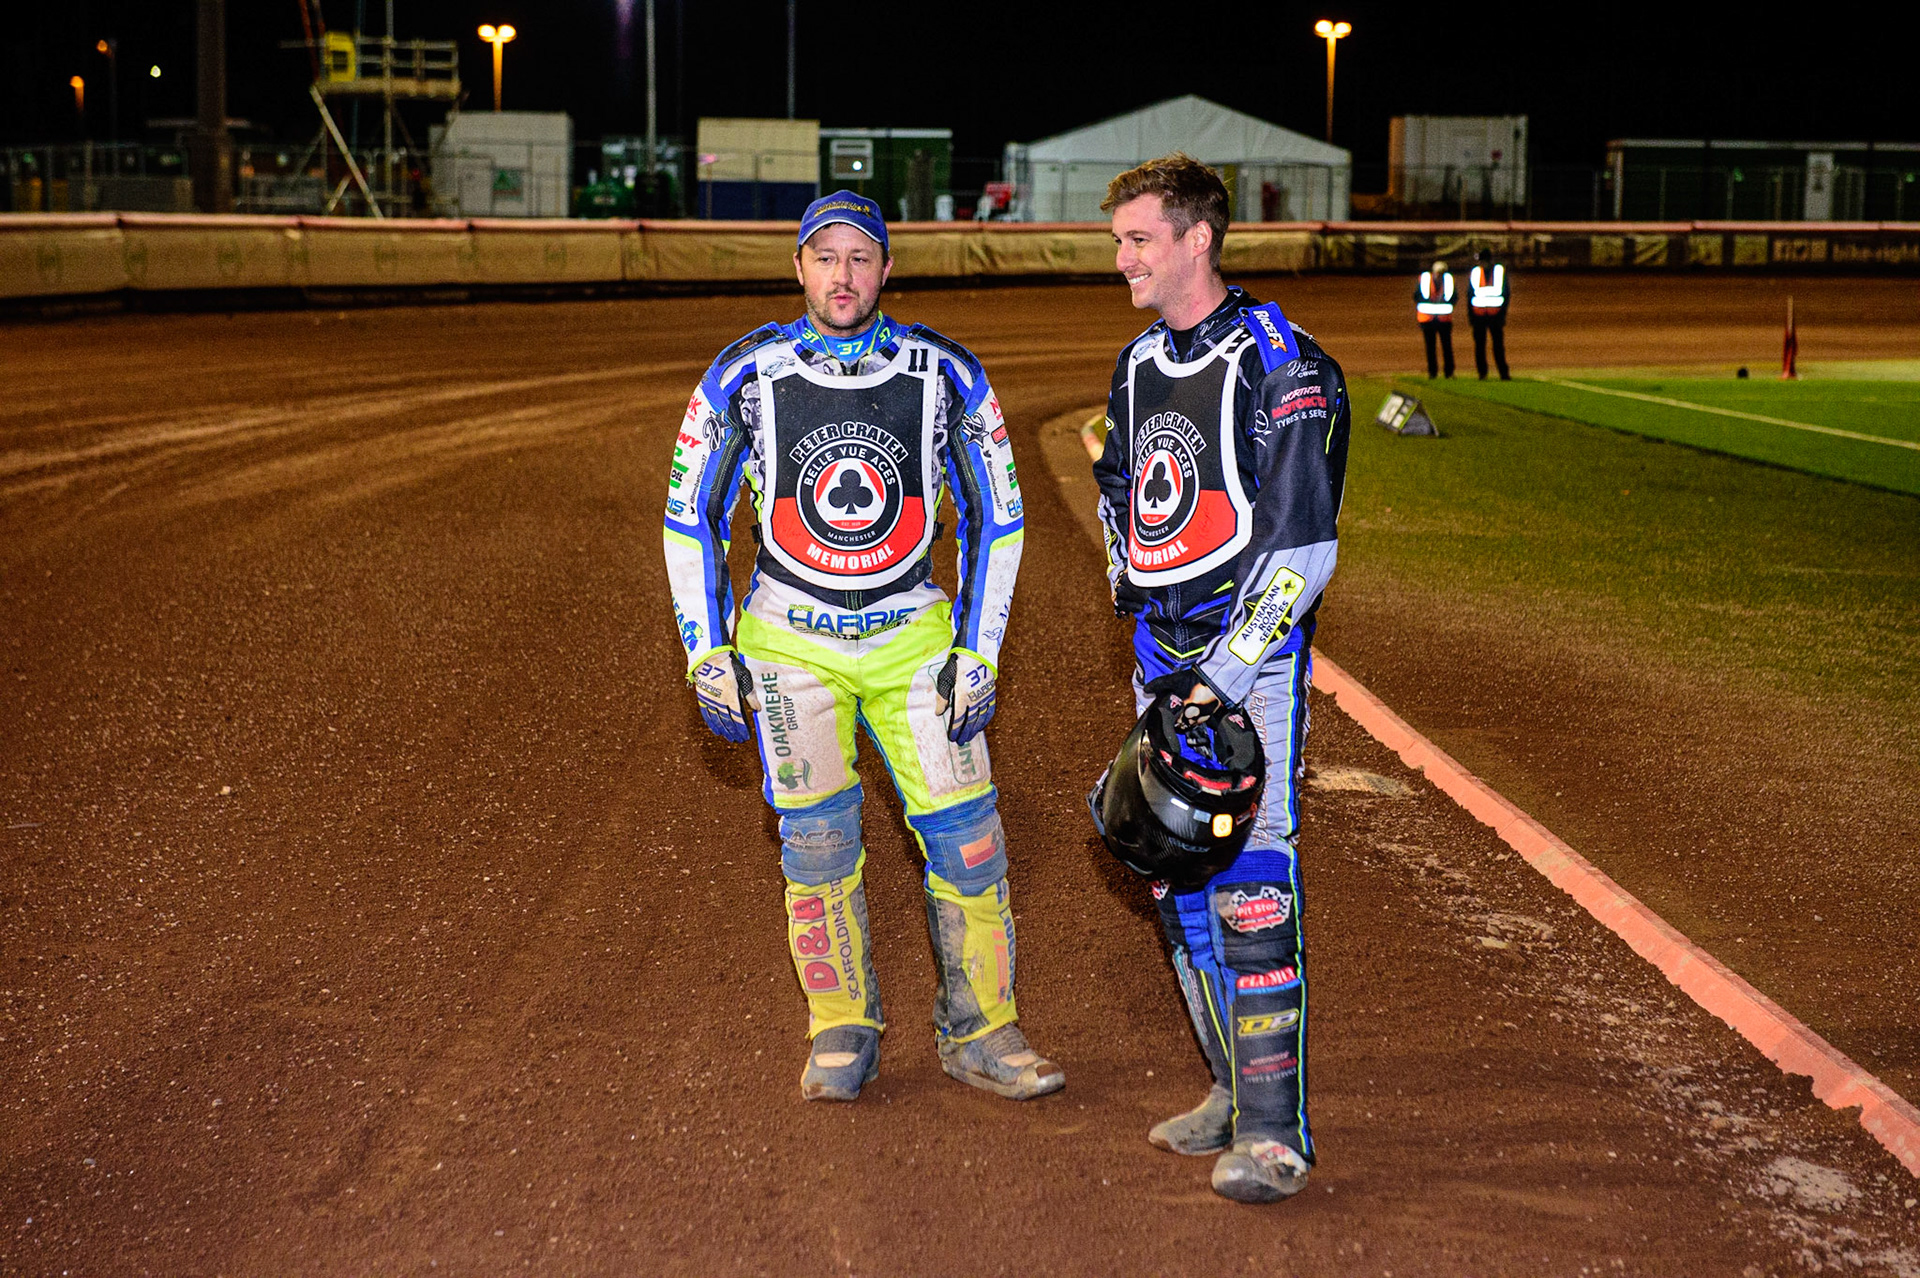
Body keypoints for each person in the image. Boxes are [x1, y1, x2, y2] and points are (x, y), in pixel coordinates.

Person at [662, 190, 1063, 1105]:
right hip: (786, 643)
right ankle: (840, 1025)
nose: (843, 276)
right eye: (825, 257)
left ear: (887, 268)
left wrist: (983, 650)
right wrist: (705, 650)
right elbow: (688, 518)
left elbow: (1001, 518)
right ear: (798, 266)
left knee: (969, 844)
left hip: (914, 635)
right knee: (817, 842)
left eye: (861, 257)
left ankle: (983, 1030)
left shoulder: (948, 372)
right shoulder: (740, 374)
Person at [1093, 154, 1350, 1203]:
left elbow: (1302, 548)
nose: (1123, 260)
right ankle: (1232, 1093)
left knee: (1250, 877)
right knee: (1174, 869)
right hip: (1165, 658)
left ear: (1199, 237)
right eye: (1118, 242)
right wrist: (1136, 603)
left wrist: (1227, 672)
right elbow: (1121, 489)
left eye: (1139, 239)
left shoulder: (1282, 363)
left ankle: (1277, 1135)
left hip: (1247, 669)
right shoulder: (1140, 359)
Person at [1467, 247, 1512, 380]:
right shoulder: (1476, 273)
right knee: (1481, 346)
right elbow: (1469, 295)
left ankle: (1503, 373)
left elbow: (1506, 294)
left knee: (1497, 346)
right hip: (1480, 316)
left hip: (1494, 315)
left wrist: (1502, 314)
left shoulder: (1498, 272)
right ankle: (1483, 373)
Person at [1414, 257, 1456, 378]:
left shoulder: (1448, 281)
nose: (1440, 275)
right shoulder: (1425, 280)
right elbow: (1416, 296)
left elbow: (1454, 297)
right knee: (1430, 348)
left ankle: (1449, 372)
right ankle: (1432, 372)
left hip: (1444, 320)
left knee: (1447, 348)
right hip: (1428, 320)